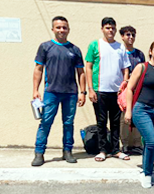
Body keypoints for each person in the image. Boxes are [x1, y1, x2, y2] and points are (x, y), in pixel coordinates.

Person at [31, 16, 86, 167]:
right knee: (46, 122)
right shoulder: (45, 47)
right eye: (59, 27)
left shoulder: (75, 50)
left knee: (68, 123)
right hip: (51, 92)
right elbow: (38, 69)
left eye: (64, 27)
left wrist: (83, 92)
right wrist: (35, 90)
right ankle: (39, 153)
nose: (62, 30)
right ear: (53, 29)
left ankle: (67, 151)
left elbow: (81, 72)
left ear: (68, 29)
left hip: (71, 93)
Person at [124, 39, 154, 188]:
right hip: (141, 109)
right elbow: (130, 89)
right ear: (150, 51)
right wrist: (128, 111)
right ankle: (147, 174)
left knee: (149, 144)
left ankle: (146, 172)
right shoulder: (142, 67)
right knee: (152, 141)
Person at [85, 17, 131, 162]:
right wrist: (90, 89)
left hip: (116, 92)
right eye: (107, 27)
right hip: (100, 90)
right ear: (102, 29)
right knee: (101, 122)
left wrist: (124, 84)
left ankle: (116, 150)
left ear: (115, 30)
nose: (110, 30)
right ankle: (103, 150)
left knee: (116, 122)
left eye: (112, 28)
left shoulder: (121, 47)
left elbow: (125, 69)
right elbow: (88, 67)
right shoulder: (95, 45)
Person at [119, 25, 145, 155]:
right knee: (125, 117)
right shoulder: (119, 51)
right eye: (128, 34)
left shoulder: (139, 54)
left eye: (133, 35)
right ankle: (125, 144)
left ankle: (136, 144)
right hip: (123, 91)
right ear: (122, 36)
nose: (131, 37)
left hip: (138, 91)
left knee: (137, 116)